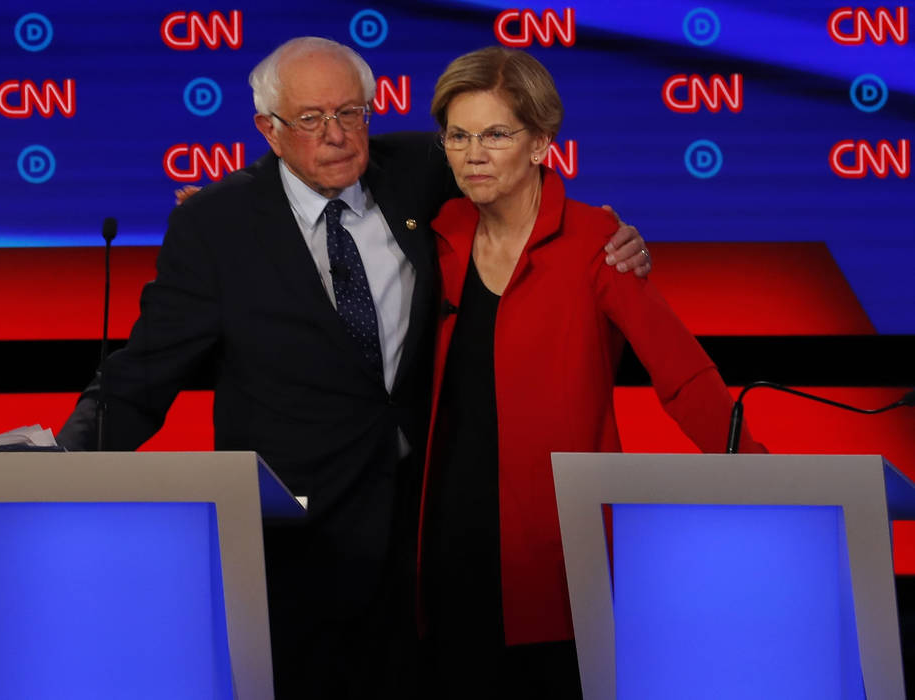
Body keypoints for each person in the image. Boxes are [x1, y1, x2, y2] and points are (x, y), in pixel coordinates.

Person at [57, 37, 651, 699]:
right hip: (298, 550)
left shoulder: (423, 168)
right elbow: (145, 371)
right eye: (310, 120)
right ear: (268, 130)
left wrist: (611, 231)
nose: (336, 136)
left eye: (351, 113)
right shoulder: (216, 225)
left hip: (427, 536)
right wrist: (65, 453)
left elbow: (520, 189)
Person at [417, 46, 766, 699]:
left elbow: (682, 373)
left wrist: (771, 480)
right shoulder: (433, 232)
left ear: (542, 143)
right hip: (442, 540)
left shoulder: (594, 241)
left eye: (496, 134)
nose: (473, 154)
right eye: (458, 137)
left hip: (555, 541)